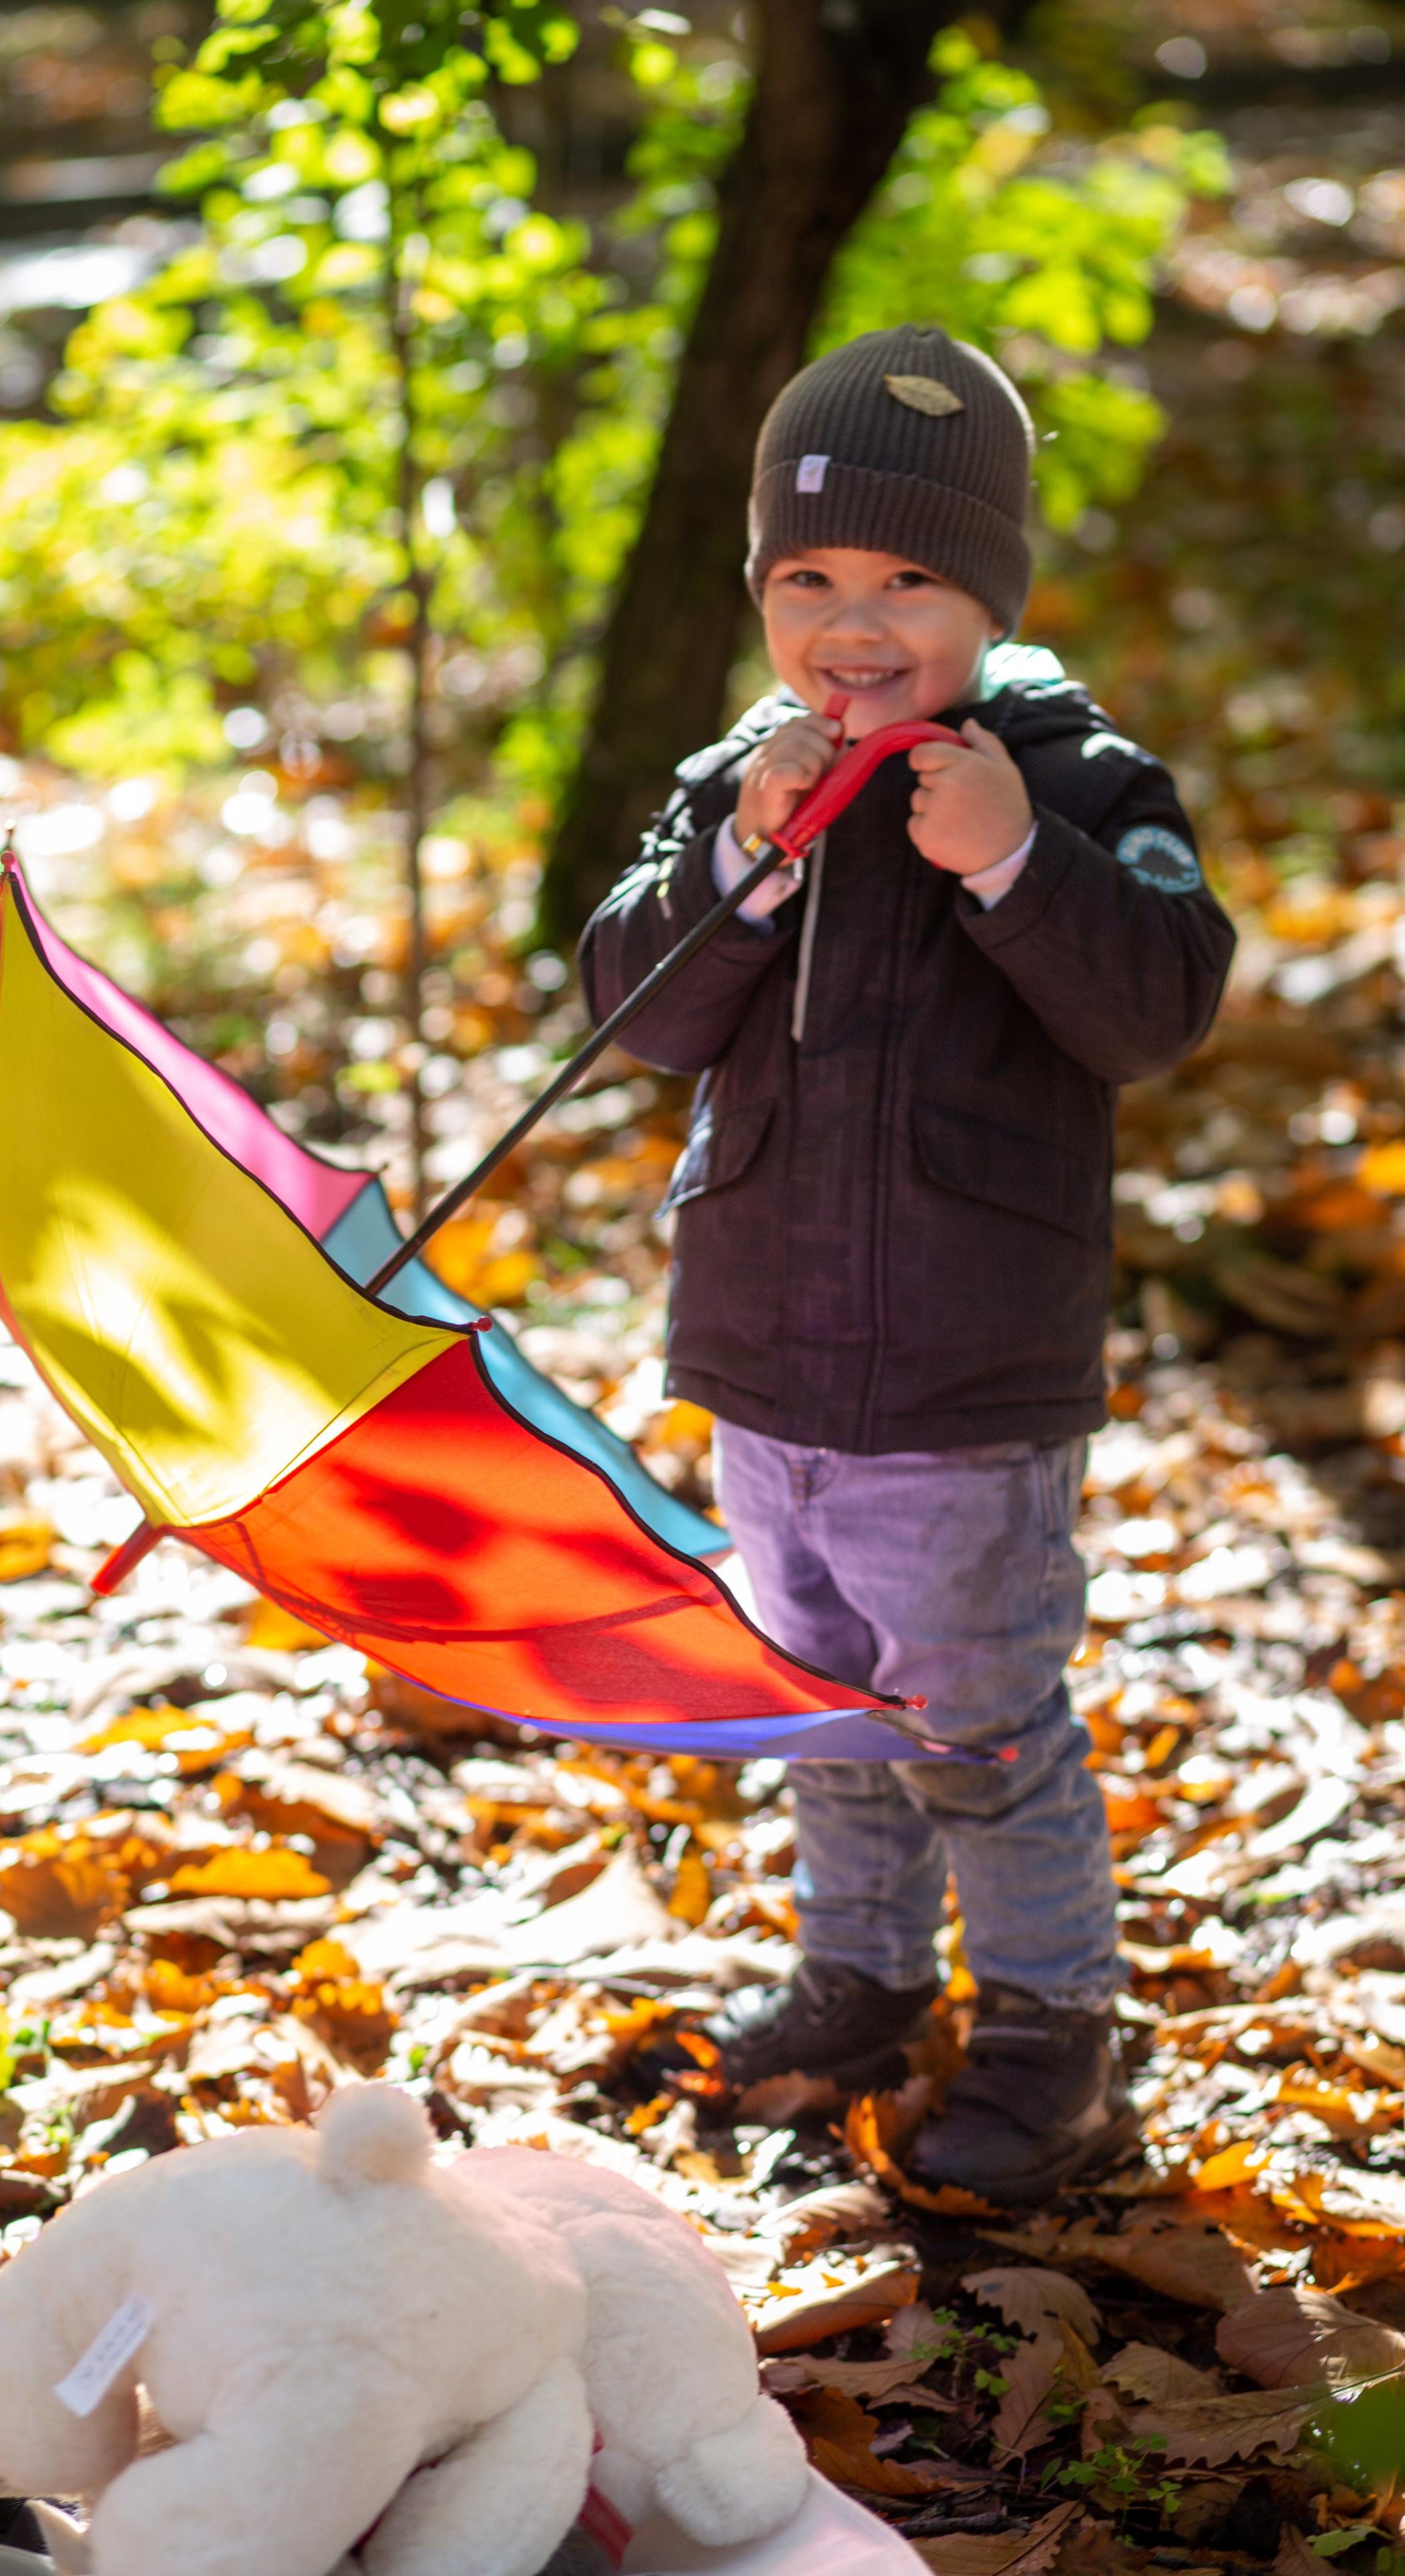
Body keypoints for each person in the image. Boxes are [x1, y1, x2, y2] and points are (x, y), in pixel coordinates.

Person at [578, 323, 1235, 2204]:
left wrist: (1022, 861)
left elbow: (1160, 1007)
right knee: (818, 1698)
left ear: (992, 593)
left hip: (964, 1371)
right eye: (811, 582)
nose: (856, 625)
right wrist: (739, 873)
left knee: (975, 1718)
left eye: (910, 582)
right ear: (763, 593)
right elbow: (633, 1012)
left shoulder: (1080, 780)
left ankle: (1049, 2027)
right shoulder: (746, 778)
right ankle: (859, 1973)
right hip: (769, 1349)